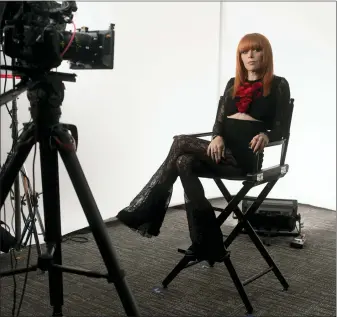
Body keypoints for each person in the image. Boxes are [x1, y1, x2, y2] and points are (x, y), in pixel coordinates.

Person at [116, 33, 291, 262]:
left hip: (246, 158)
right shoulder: (232, 83)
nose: (250, 55)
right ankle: (207, 242)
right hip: (221, 154)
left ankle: (148, 207)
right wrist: (217, 136)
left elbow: (281, 127)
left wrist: (267, 135)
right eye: (244, 51)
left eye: (255, 50)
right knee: (183, 161)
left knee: (180, 141)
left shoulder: (278, 84)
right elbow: (219, 123)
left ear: (265, 53)